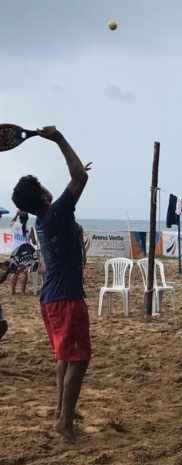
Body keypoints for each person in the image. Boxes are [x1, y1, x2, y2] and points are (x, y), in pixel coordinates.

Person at [12, 126, 92, 442]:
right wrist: (58, 138)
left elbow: (74, 180)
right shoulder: (55, 214)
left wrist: (75, 172)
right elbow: (79, 179)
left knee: (64, 357)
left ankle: (62, 412)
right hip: (66, 298)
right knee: (79, 359)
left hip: (50, 299)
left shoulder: (44, 219)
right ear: (44, 195)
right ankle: (65, 423)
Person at [9, 210, 30, 295]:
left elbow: (11, 222)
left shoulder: (16, 225)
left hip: (15, 251)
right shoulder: (28, 228)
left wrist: (16, 214)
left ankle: (13, 291)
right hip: (25, 251)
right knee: (24, 272)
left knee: (15, 272)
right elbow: (32, 241)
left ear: (19, 218)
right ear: (27, 219)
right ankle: (23, 291)